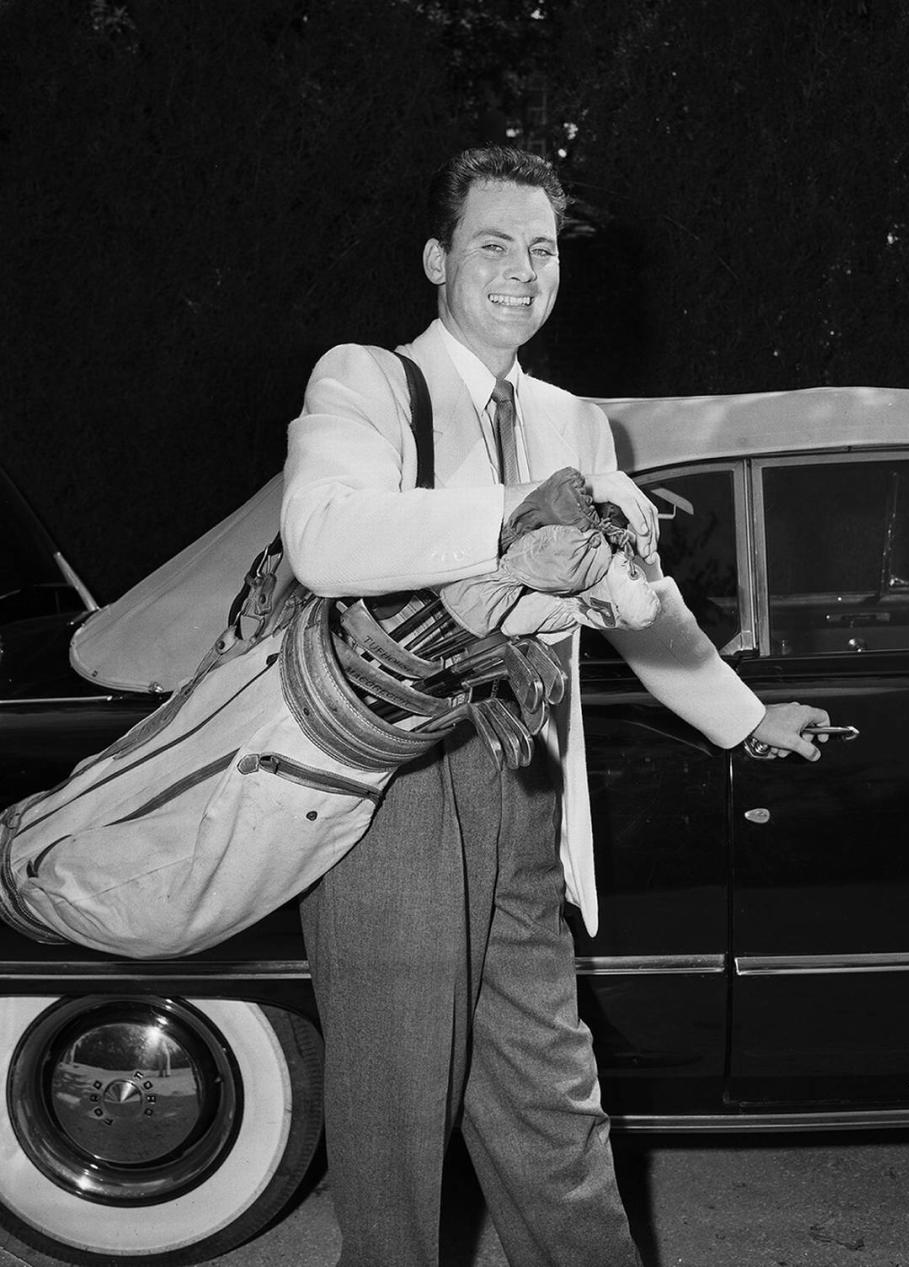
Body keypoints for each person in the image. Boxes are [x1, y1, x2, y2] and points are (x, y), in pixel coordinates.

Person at [281, 146, 829, 1267]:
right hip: (395, 798)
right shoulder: (370, 382)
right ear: (440, 258)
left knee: (556, 1121)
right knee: (392, 1155)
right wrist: (518, 520)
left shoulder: (579, 421)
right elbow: (325, 535)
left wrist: (741, 715)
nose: (524, 270)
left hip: (523, 783)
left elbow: (636, 601)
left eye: (541, 249)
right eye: (495, 244)